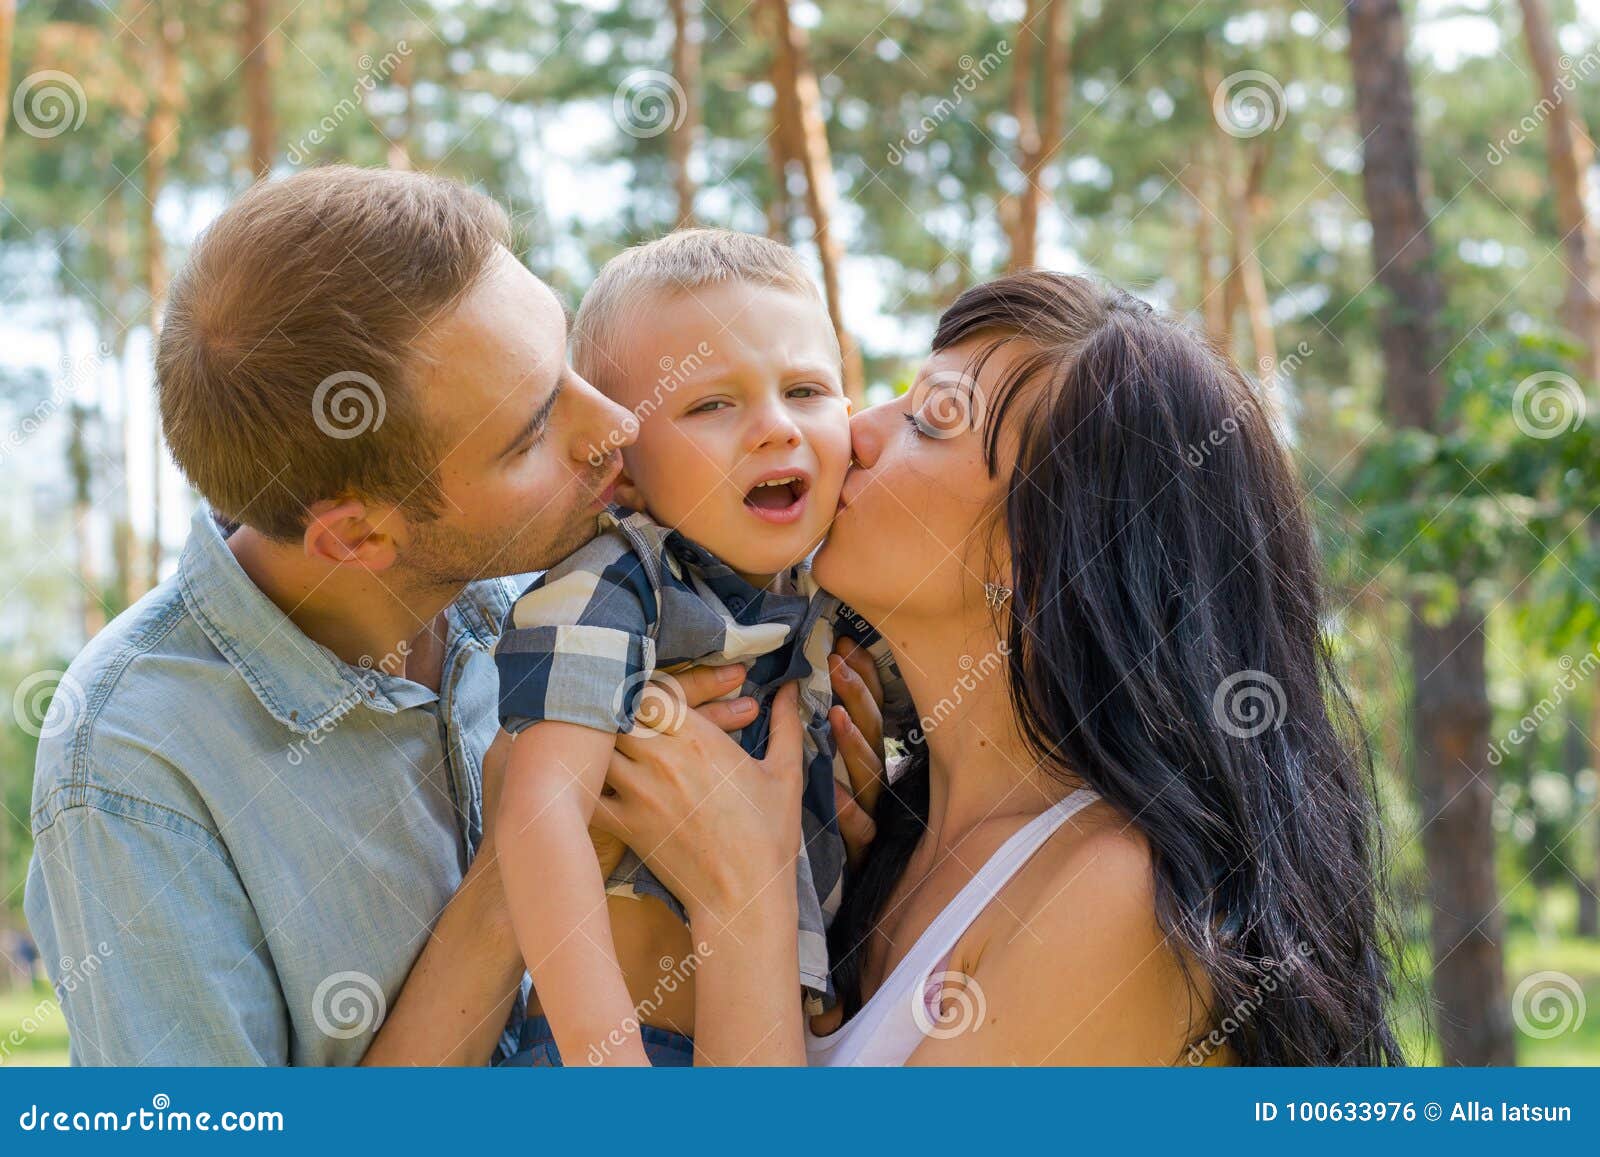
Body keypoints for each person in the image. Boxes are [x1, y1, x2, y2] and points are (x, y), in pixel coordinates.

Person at [591, 272, 1404, 1065]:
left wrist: (745, 900)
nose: (854, 430)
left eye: (930, 421)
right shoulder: (872, 836)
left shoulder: (1114, 901)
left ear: (1046, 552)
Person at [24, 164, 643, 1064]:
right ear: (356, 537)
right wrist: (518, 867)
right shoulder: (129, 767)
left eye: (569, 366)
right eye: (533, 430)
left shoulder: (568, 590)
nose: (619, 422)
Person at [493, 229, 905, 1067]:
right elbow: (542, 819)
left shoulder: (832, 588)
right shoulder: (614, 587)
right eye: (710, 403)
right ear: (623, 472)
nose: (774, 428)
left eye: (805, 389)